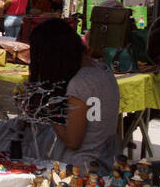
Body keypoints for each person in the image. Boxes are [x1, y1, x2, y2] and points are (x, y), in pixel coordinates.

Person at [26, 17, 121, 174]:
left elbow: (73, 141)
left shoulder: (81, 84)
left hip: (81, 167)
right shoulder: (103, 70)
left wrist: (49, 111)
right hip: (104, 158)